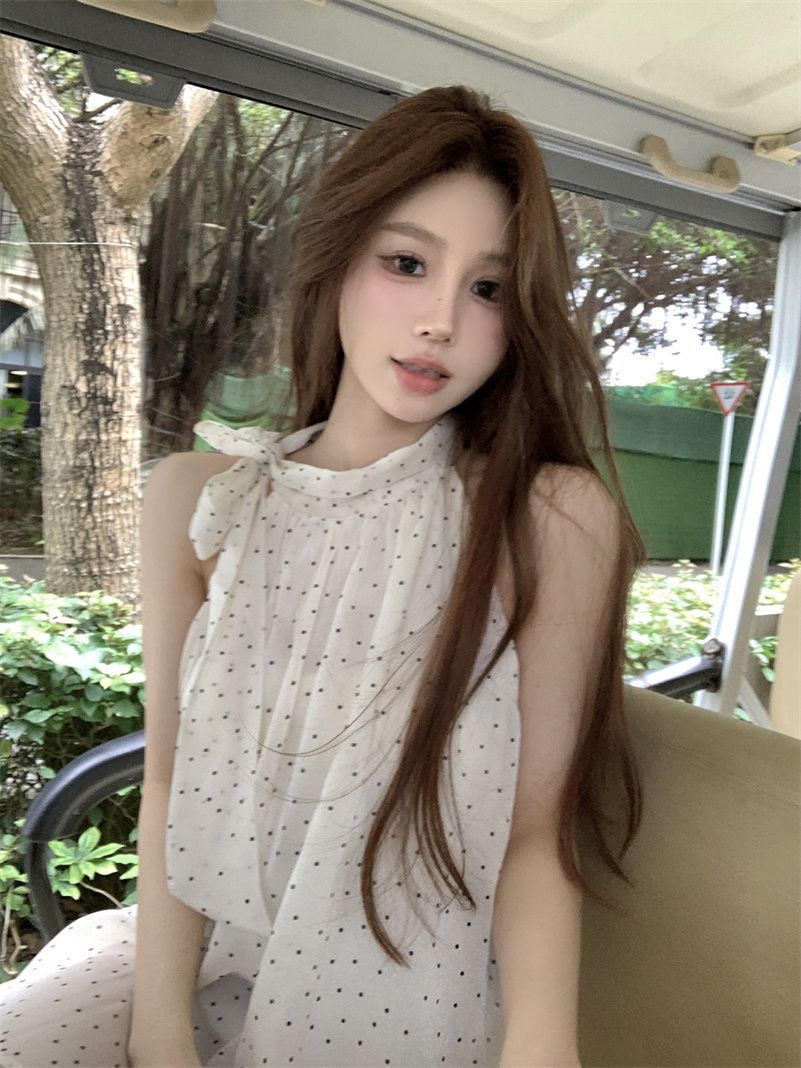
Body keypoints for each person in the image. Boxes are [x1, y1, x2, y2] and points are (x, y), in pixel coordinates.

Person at [0, 84, 645, 1068]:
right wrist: (161, 1035)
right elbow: (171, 782)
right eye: (406, 263)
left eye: (486, 288)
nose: (439, 320)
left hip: (394, 1010)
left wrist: (540, 1046)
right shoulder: (201, 500)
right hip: (184, 966)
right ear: (338, 258)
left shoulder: (549, 518)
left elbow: (533, 837)